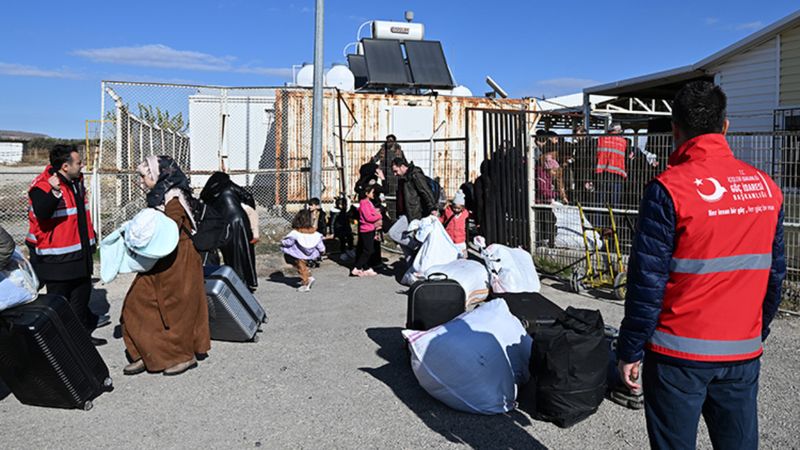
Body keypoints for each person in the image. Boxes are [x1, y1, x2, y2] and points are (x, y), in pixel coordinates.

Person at [617, 81, 785, 450]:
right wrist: (758, 329)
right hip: (742, 351)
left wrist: (630, 349)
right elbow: (775, 275)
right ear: (725, 126)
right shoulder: (766, 188)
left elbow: (647, 282)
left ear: (675, 130)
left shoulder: (668, 189)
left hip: (677, 355)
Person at [122, 155, 211, 376]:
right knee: (136, 302)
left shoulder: (173, 197)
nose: (142, 181)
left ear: (157, 174)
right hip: (159, 256)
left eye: (144, 176)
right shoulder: (159, 196)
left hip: (180, 258)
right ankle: (146, 351)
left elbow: (170, 228)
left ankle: (183, 356)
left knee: (177, 309)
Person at [26, 144, 108, 345]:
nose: (82, 166)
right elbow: (43, 213)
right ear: (65, 166)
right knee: (58, 304)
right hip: (57, 259)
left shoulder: (75, 181)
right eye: (79, 163)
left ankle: (81, 340)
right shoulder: (43, 185)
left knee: (80, 299)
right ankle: (57, 345)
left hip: (80, 255)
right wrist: (53, 191)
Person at [199, 171, 259, 291]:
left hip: (222, 225)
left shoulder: (207, 193)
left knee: (229, 253)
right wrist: (246, 207)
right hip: (239, 221)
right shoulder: (229, 185)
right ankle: (247, 281)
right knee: (244, 252)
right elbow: (248, 196)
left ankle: (233, 280)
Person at [280, 209, 325, 292]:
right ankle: (309, 277)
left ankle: (305, 284)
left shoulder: (295, 233)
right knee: (304, 267)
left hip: (298, 254)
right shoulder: (314, 233)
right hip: (311, 255)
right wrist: (322, 251)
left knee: (301, 269)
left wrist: (282, 242)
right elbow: (320, 245)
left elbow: (288, 243)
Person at [391, 157, 437, 221]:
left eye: (396, 171)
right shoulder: (403, 179)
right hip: (408, 214)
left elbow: (425, 191)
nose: (395, 174)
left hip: (417, 214)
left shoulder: (415, 175)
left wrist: (432, 208)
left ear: (402, 166)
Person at [352, 185, 382, 277]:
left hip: (370, 228)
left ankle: (366, 267)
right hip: (366, 229)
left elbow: (372, 213)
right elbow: (368, 217)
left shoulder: (368, 202)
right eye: (372, 192)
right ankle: (357, 267)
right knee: (368, 250)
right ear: (367, 193)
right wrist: (379, 216)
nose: (374, 194)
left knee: (368, 249)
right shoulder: (364, 203)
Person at [440, 190, 469, 258]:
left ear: (462, 207)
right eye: (454, 207)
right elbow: (442, 219)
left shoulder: (465, 213)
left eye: (458, 208)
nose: (456, 209)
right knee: (449, 257)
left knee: (463, 258)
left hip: (461, 240)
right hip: (449, 239)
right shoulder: (447, 211)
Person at [330, 194, 355, 261]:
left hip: (347, 227)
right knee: (342, 241)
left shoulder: (345, 211)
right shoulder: (335, 212)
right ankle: (343, 253)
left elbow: (349, 207)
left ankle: (350, 249)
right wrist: (332, 232)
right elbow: (332, 223)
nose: (344, 206)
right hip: (340, 229)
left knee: (350, 238)